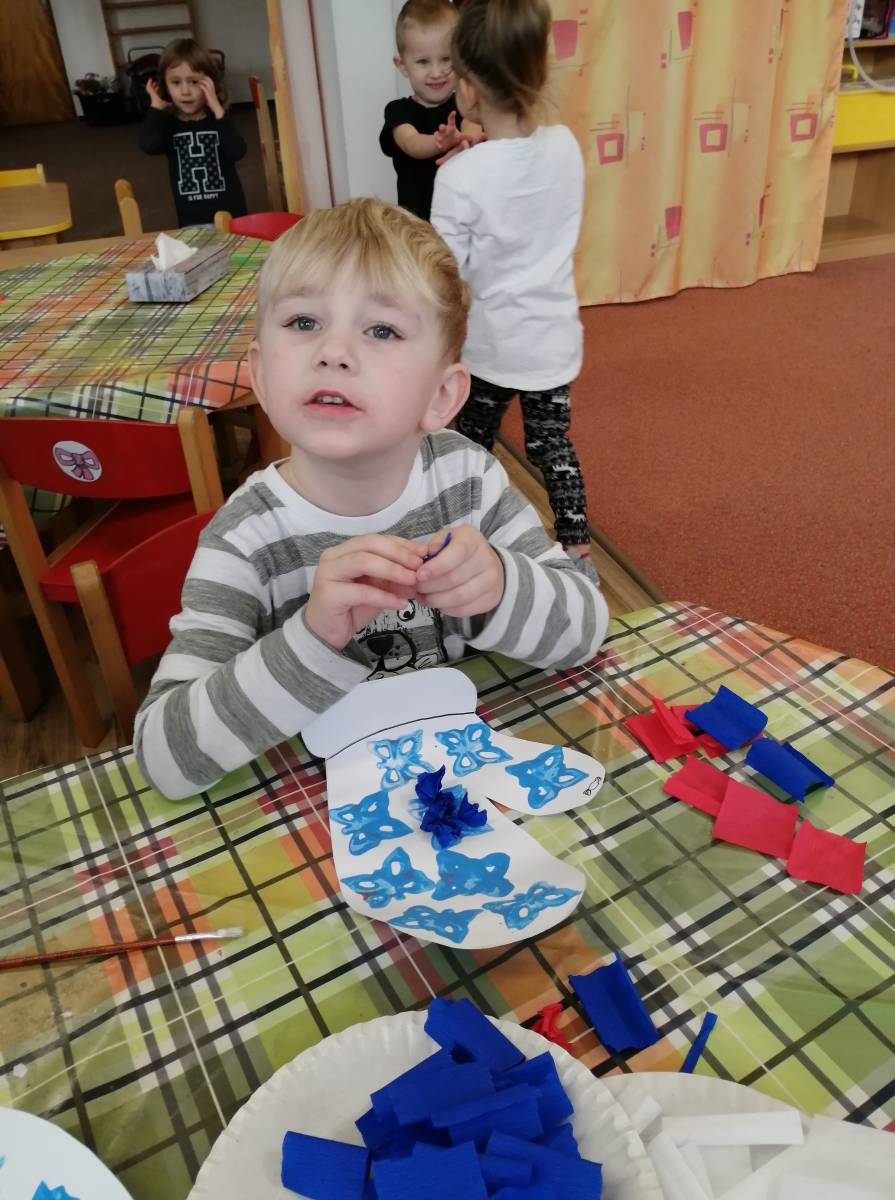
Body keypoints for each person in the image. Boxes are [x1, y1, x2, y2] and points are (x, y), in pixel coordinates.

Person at [134, 198, 608, 801]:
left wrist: (500, 587)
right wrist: (309, 639)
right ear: (262, 376)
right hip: (320, 813)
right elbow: (164, 759)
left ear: (441, 396)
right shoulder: (244, 540)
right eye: (303, 322)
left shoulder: (469, 480)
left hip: (464, 791)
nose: (333, 350)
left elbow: (587, 630)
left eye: (381, 330)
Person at [431, 0, 598, 582]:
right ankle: (578, 554)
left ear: (468, 90)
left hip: (491, 345)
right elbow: (530, 198)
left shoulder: (459, 177)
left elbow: (447, 273)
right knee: (552, 444)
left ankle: (461, 535)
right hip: (552, 337)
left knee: (471, 438)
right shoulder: (566, 145)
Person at [380, 0, 475, 221]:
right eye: (423, 61)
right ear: (402, 66)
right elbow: (411, 143)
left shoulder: (466, 101)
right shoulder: (398, 111)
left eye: (446, 59)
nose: (436, 72)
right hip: (417, 227)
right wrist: (441, 141)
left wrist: (465, 139)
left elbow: (472, 129)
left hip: (462, 222)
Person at [140, 38, 247, 227]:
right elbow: (149, 145)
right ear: (165, 86)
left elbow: (237, 151)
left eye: (194, 82)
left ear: (210, 84)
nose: (185, 91)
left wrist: (218, 109)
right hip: (191, 218)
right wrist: (155, 108)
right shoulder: (168, 124)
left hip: (230, 214)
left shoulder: (218, 120)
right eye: (175, 82)